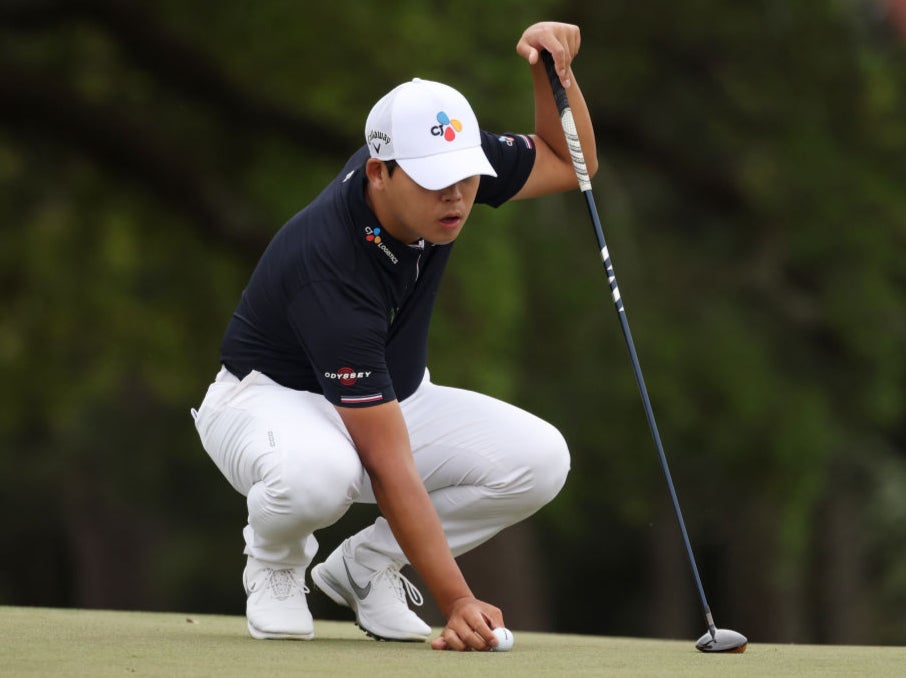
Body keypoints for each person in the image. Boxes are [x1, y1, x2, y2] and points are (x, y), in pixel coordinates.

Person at [191, 21, 597, 652]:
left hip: (391, 397)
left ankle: (366, 565)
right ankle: (274, 560)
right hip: (266, 402)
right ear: (379, 173)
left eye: (467, 175)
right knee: (317, 478)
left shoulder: (435, 167)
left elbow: (569, 163)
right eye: (438, 181)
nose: (459, 196)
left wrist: (555, 75)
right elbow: (385, 461)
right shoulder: (329, 264)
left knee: (540, 459)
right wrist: (458, 599)